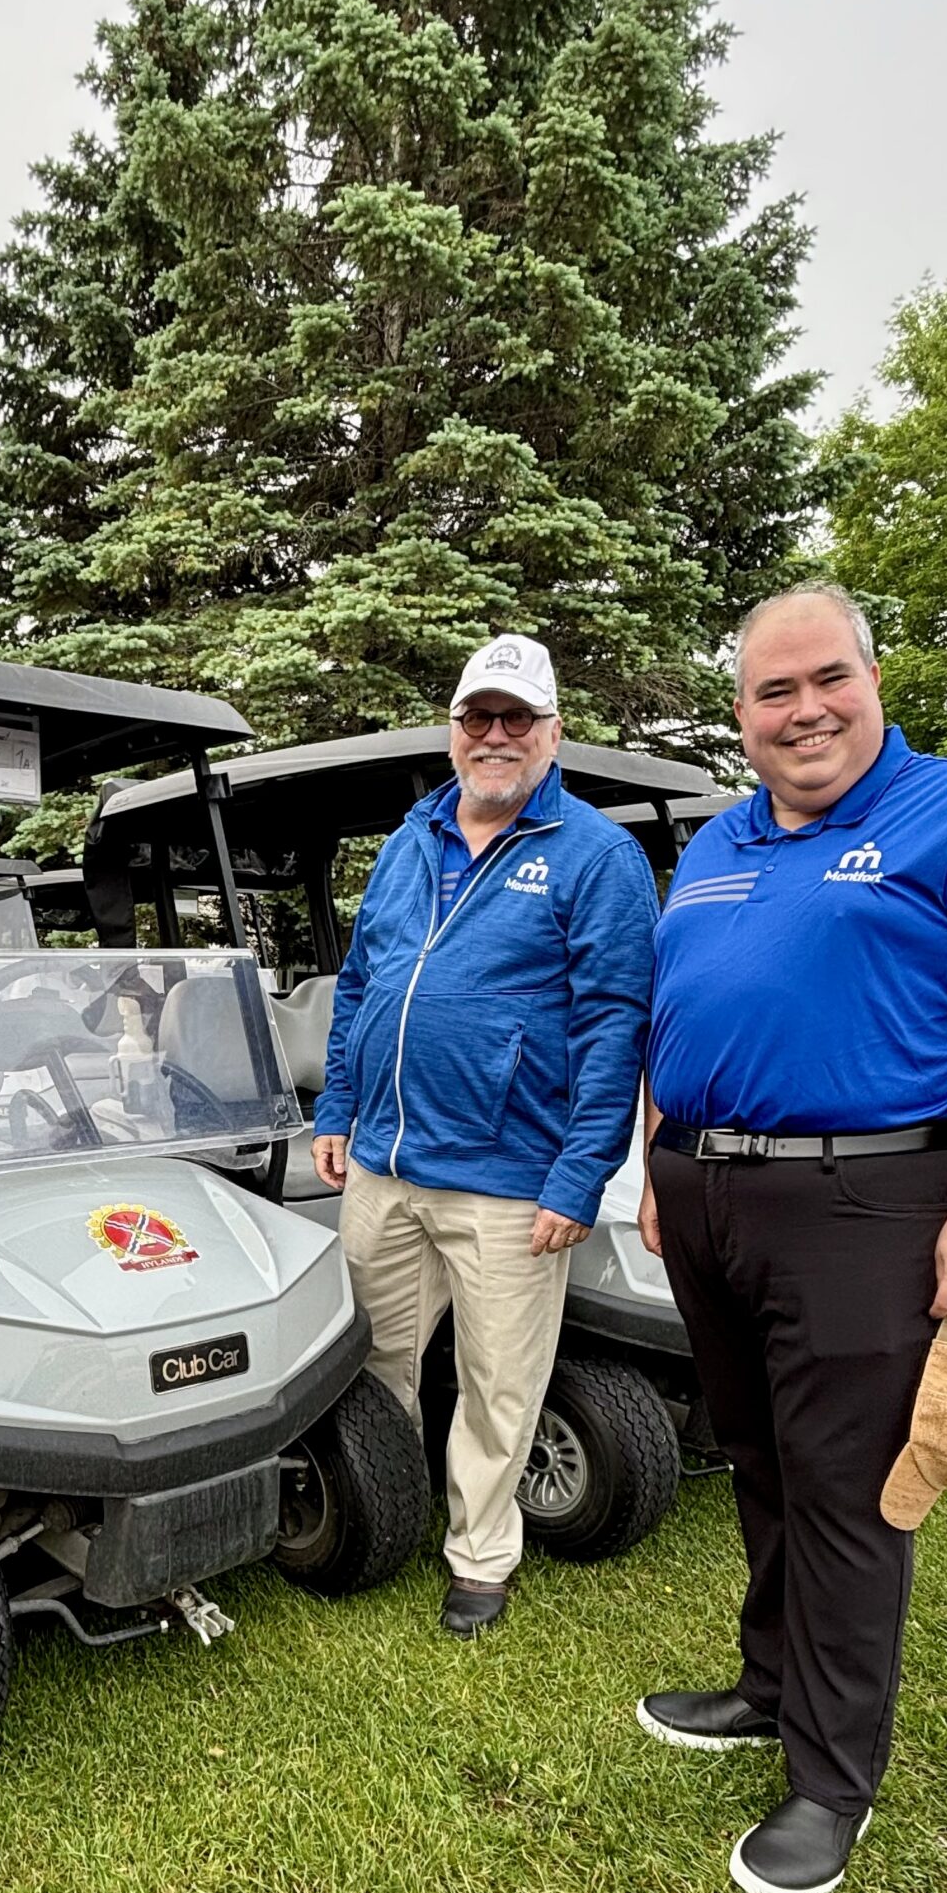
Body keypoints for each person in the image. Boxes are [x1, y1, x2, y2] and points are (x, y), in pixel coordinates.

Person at [637, 582, 947, 1893]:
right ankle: (768, 1685)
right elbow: (679, 1006)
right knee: (758, 1457)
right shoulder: (717, 840)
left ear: (873, 679)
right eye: (773, 691)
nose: (805, 710)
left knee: (845, 1491)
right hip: (706, 1193)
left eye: (827, 678)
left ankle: (831, 1781)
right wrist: (662, 1157)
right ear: (742, 714)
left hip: (868, 1202)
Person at [311, 632, 658, 1638]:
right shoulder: (409, 842)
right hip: (386, 1164)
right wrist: (338, 1106)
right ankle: (388, 1508)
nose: (495, 735)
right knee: (376, 1359)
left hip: (510, 1179)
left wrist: (580, 1174)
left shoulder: (596, 855)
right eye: (478, 717)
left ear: (553, 733)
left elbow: (615, 1026)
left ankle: (480, 1555)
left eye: (517, 718)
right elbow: (363, 985)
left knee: (500, 1381)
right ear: (454, 730)